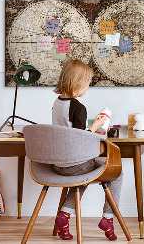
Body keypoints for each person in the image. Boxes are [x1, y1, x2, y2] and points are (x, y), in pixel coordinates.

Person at [52, 59, 122, 241]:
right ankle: (108, 218)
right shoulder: (78, 107)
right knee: (117, 172)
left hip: (58, 164)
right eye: (88, 84)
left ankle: (64, 216)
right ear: (79, 84)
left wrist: (91, 127)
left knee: (82, 176)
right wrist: (96, 127)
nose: (87, 88)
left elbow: (69, 132)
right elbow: (79, 139)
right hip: (75, 164)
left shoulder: (57, 103)